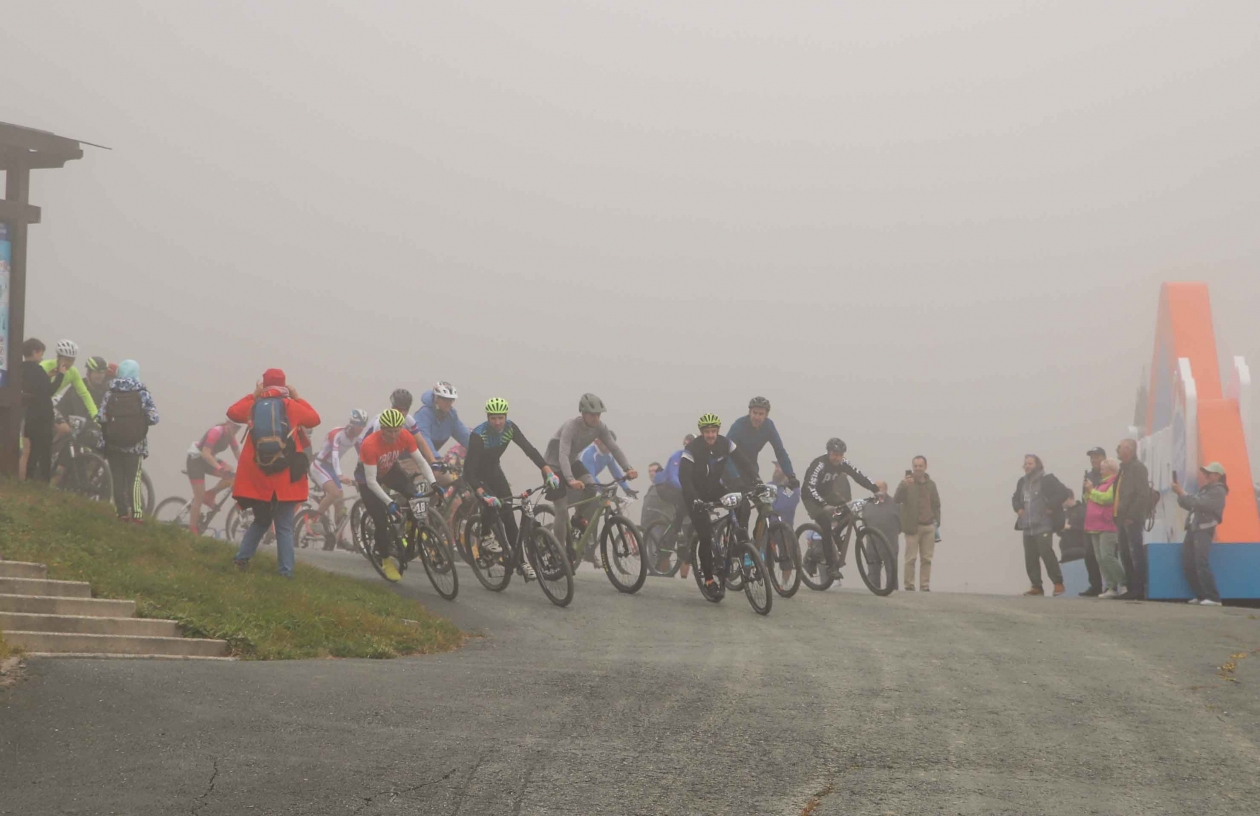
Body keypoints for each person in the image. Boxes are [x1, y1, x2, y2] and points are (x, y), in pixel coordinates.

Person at [228, 369, 321, 578]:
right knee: (285, 526)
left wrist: (253, 394)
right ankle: (286, 573)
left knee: (261, 520)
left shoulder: (254, 406)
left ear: (264, 384)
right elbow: (314, 419)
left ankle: (241, 560)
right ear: (284, 385)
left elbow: (232, 412)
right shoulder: (291, 406)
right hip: (285, 477)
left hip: (259, 476)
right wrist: (297, 397)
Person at [464, 397, 560, 580]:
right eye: (493, 418)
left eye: (501, 417)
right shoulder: (478, 435)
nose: (498, 422)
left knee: (508, 516)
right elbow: (469, 471)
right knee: (491, 504)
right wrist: (483, 494)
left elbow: (529, 450)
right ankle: (485, 534)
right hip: (476, 476)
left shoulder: (510, 428)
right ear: (488, 417)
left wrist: (548, 472)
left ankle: (521, 562)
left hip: (494, 471)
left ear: (506, 416)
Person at [543, 394, 637, 555]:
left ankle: (578, 517)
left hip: (571, 462)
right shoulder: (571, 426)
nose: (596, 418)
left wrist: (627, 468)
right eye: (592, 415)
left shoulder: (600, 427)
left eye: (598, 415)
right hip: (553, 465)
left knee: (591, 487)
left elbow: (614, 448)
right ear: (583, 413)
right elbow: (562, 455)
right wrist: (570, 480)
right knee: (562, 510)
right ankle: (559, 550)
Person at [678, 413, 760, 594]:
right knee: (706, 537)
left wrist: (757, 480)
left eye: (714, 431)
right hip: (695, 495)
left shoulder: (725, 443)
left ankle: (737, 541)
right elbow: (684, 478)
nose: (711, 435)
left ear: (718, 431)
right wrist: (694, 499)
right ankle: (708, 580)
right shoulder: (692, 449)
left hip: (714, 488)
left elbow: (743, 462)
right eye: (707, 432)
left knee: (741, 502)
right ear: (701, 432)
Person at [355, 408, 437, 582]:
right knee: (381, 520)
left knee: (414, 495)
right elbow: (371, 482)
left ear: (401, 428)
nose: (393, 435)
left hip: (389, 470)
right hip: (368, 480)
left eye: (396, 430)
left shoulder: (405, 436)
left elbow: (421, 462)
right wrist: (389, 502)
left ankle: (410, 527)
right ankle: (385, 559)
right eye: (389, 431)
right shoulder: (370, 445)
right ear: (382, 429)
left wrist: (434, 482)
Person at [801, 437, 878, 584]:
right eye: (834, 454)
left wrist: (875, 489)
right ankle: (831, 566)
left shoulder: (843, 463)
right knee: (825, 525)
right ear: (828, 452)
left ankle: (835, 535)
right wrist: (823, 505)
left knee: (849, 511)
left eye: (840, 454)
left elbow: (858, 475)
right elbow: (810, 487)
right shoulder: (819, 464)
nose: (837, 457)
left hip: (828, 494)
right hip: (810, 497)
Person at [96, 360, 159, 522]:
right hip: (135, 446)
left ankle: (121, 513)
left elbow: (101, 417)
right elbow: (154, 418)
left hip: (113, 444)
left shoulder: (110, 393)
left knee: (117, 479)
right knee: (134, 480)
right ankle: (137, 514)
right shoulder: (142, 393)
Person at [308, 409, 369, 547]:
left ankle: (339, 537)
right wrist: (340, 475)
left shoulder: (357, 439)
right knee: (334, 493)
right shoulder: (338, 434)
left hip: (332, 470)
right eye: (358, 425)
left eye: (362, 426)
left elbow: (363, 458)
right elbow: (335, 456)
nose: (360, 429)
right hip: (320, 465)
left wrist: (369, 476)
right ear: (352, 423)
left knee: (340, 503)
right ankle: (315, 521)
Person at [1012, 454, 1069, 596]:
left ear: (1038, 465)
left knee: (1046, 552)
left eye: (1030, 463)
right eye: (1025, 464)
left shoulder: (1047, 480)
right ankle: (1036, 586)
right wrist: (1018, 508)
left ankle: (1058, 583)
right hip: (1027, 526)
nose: (1027, 466)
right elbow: (1015, 498)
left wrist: (1050, 506)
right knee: (1030, 557)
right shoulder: (1022, 482)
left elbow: (1063, 492)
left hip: (1043, 524)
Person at [1173, 462, 1228, 606]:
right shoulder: (1206, 489)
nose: (1206, 475)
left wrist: (1181, 493)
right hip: (1194, 528)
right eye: (1206, 472)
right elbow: (1189, 503)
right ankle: (1201, 595)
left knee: (1200, 562)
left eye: (1209, 473)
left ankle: (1213, 598)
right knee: (1188, 562)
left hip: (1204, 529)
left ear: (1218, 475)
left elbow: (1200, 503)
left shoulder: (1218, 490)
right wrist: (1180, 495)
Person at [725, 397, 799, 489]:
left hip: (750, 467)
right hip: (731, 467)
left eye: (761, 414)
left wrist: (790, 475)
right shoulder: (738, 426)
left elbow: (780, 451)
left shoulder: (769, 426)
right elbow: (725, 452)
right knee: (738, 500)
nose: (757, 417)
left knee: (762, 498)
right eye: (754, 413)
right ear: (749, 412)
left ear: (766, 415)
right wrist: (735, 477)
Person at [186, 420, 243, 536]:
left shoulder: (231, 436)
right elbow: (205, 453)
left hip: (207, 460)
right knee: (199, 496)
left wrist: (249, 470)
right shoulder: (216, 432)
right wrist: (219, 467)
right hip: (196, 460)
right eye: (234, 427)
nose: (236, 430)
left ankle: (211, 494)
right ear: (228, 423)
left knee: (232, 474)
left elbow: (239, 455)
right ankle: (192, 530)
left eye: (238, 428)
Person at [894, 455, 941, 592]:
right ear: (912, 467)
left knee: (927, 559)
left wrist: (936, 522)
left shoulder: (931, 485)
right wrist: (903, 485)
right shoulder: (906, 484)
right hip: (912, 527)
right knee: (910, 559)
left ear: (925, 467)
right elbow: (896, 500)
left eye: (920, 466)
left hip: (929, 526)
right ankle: (909, 586)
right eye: (915, 466)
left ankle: (925, 587)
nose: (918, 468)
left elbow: (936, 504)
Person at [19, 338, 64, 482]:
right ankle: (44, 483)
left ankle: (28, 480)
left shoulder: (21, 368)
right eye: (40, 353)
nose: (42, 357)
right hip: (43, 417)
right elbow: (49, 391)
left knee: (31, 451)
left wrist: (48, 376)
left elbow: (36, 388)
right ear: (34, 352)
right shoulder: (38, 370)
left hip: (30, 415)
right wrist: (61, 375)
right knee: (44, 452)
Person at [1114, 439, 1152, 600]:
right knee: (1125, 554)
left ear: (1129, 450)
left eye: (1120, 447)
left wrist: (1132, 515)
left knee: (1135, 553)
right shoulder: (1123, 469)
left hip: (1131, 519)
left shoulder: (1138, 468)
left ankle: (1138, 588)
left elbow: (1142, 494)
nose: (1117, 450)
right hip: (1121, 518)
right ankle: (1131, 588)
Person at [1083, 459, 1126, 599]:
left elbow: (1107, 499)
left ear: (1111, 469)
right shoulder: (1100, 484)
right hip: (1094, 525)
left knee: (1108, 556)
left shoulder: (1114, 483)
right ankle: (1110, 586)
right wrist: (1088, 492)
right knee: (1100, 558)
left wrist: (1091, 491)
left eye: (1103, 468)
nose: (1100, 471)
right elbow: (1089, 500)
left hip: (1107, 525)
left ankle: (1124, 583)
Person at [1073, 447, 1109, 596]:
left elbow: (1106, 497)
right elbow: (1084, 498)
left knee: (1105, 556)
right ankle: (1095, 586)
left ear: (1104, 458)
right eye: (1092, 457)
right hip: (1089, 521)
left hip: (1105, 521)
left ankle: (1111, 586)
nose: (1094, 460)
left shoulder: (1109, 475)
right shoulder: (1088, 475)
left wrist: (1092, 490)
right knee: (1089, 555)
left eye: (1096, 457)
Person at [413, 381, 470, 471]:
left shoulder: (451, 415)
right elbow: (424, 439)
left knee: (455, 481)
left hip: (429, 459)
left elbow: (464, 435)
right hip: (410, 458)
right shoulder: (424, 414)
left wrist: (481, 450)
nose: (448, 403)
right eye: (445, 400)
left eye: (451, 400)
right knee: (441, 478)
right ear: (436, 398)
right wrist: (437, 458)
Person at [862, 480, 902, 590]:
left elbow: (901, 524)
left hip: (890, 544)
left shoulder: (895, 504)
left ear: (886, 488)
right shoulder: (867, 505)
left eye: (880, 487)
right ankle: (873, 595)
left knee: (891, 572)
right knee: (873, 573)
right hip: (872, 544)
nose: (878, 490)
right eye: (875, 487)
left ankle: (894, 595)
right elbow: (864, 524)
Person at [56, 355, 112, 425]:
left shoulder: (104, 390)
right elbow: (80, 414)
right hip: (71, 427)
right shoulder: (78, 388)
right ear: (88, 372)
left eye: (103, 373)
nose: (100, 376)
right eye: (97, 372)